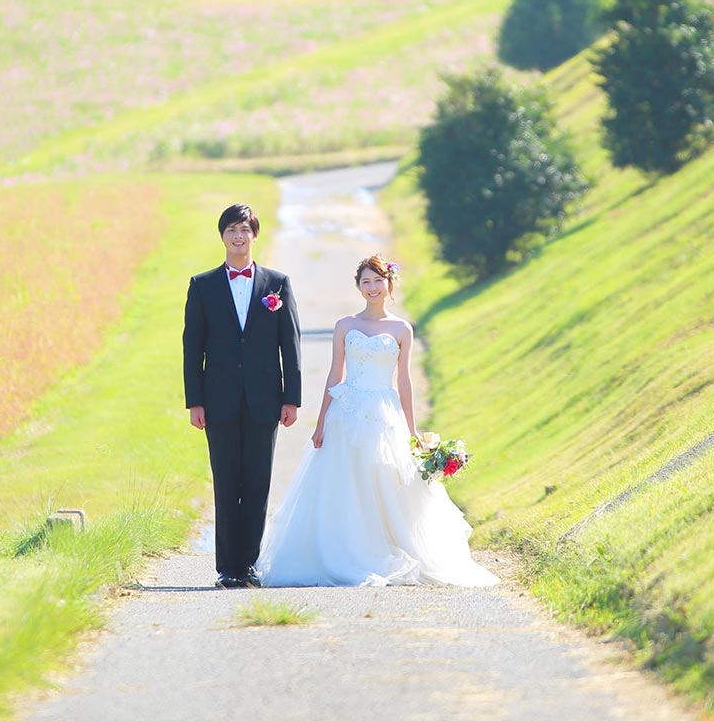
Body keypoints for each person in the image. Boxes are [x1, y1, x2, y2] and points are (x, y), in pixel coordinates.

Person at [257, 255, 497, 588]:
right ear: (358, 286)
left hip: (384, 414)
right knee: (344, 484)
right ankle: (343, 552)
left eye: (377, 280)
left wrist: (412, 430)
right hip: (347, 412)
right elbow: (334, 373)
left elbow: (404, 381)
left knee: (385, 483)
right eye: (365, 281)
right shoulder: (344, 325)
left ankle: (385, 551)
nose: (372, 287)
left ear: (389, 284)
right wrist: (321, 421)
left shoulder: (401, 329)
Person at [182, 203, 300, 589]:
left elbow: (290, 343)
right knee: (226, 481)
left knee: (257, 483)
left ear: (254, 235)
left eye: (244, 230)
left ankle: (248, 565)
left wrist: (291, 398)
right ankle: (226, 568)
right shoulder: (202, 285)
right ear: (222, 236)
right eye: (231, 229)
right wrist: (194, 400)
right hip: (218, 401)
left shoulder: (277, 283)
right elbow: (192, 346)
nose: (238, 236)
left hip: (266, 399)